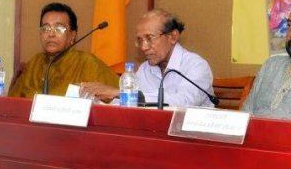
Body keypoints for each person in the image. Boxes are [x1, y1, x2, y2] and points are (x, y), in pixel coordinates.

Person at [82, 9, 214, 108]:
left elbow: (184, 102)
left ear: (173, 37)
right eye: (140, 40)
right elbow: (128, 104)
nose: (144, 47)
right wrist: (94, 101)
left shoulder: (196, 65)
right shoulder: (145, 69)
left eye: (150, 38)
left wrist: (119, 93)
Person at [8, 2, 118, 98]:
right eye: (45, 28)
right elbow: (12, 102)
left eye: (59, 28)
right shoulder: (34, 63)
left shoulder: (88, 64)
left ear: (73, 35)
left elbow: (121, 96)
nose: (51, 34)